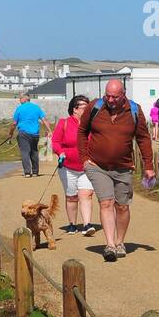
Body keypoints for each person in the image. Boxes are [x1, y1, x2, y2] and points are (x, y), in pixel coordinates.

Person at [77, 79, 154, 262]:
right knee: (106, 202)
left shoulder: (134, 110)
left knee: (122, 206)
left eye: (114, 97)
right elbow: (81, 131)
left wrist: (149, 166)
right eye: (107, 96)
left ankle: (120, 242)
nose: (110, 100)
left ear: (124, 94)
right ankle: (110, 245)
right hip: (97, 166)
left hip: (123, 167)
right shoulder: (95, 107)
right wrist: (84, 159)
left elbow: (143, 138)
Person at [50, 95, 96, 236]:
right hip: (67, 167)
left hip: (87, 166)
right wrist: (60, 152)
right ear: (75, 109)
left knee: (86, 194)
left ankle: (87, 224)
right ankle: (72, 224)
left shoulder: (92, 125)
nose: (88, 109)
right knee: (71, 196)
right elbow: (55, 142)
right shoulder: (64, 123)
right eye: (85, 107)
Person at [8, 91, 51, 177]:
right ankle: (35, 171)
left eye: (20, 98)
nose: (19, 100)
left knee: (25, 152)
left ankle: (27, 172)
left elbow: (14, 123)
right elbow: (44, 120)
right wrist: (50, 131)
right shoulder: (36, 108)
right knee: (34, 152)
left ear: (26, 98)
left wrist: (10, 133)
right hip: (35, 134)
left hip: (23, 133)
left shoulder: (19, 108)